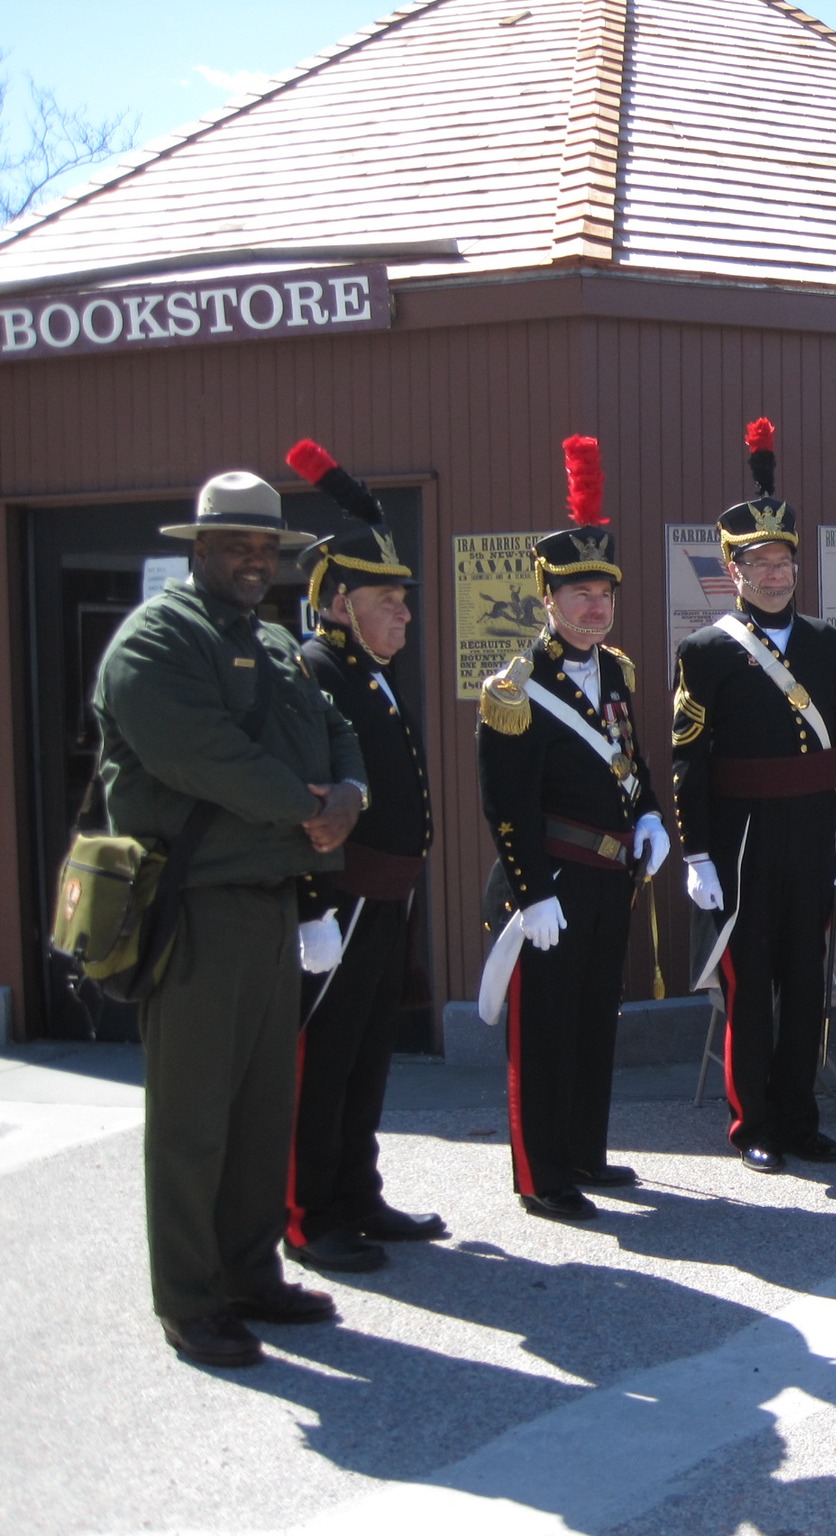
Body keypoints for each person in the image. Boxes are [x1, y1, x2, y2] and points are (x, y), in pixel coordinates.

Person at [93, 471, 366, 1368]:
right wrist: (305, 807)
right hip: (194, 909)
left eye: (266, 549)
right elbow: (199, 753)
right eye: (236, 546)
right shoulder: (157, 640)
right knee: (193, 1116)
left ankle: (250, 1274)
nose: (255, 562)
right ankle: (189, 1297)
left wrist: (350, 791)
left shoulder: (274, 642)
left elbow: (335, 721)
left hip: (266, 904)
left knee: (259, 1110)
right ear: (197, 549)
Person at [476, 436, 668, 1222]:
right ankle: (542, 1173)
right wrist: (532, 894)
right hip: (549, 882)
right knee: (546, 1030)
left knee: (595, 1021)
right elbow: (506, 802)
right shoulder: (516, 686)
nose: (595, 606)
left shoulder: (618, 670)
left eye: (604, 592)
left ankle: (586, 1150)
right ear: (547, 598)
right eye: (579, 592)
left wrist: (650, 811)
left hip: (607, 877)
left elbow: (631, 756)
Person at [672, 418, 836, 1173]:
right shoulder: (707, 649)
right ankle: (752, 1122)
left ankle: (800, 1114)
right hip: (743, 837)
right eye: (759, 562)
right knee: (750, 987)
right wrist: (697, 850)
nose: (775, 573)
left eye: (784, 560)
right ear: (733, 570)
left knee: (807, 979)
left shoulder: (827, 643)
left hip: (814, 828)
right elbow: (689, 753)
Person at [273, 439, 445, 1274]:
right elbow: (306, 800)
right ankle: (309, 1214)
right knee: (324, 1054)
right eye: (389, 601)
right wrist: (310, 907)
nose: (406, 616)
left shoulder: (366, 671)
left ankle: (357, 1190)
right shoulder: (312, 673)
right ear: (338, 603)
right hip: (338, 898)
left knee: (369, 1049)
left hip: (384, 895)